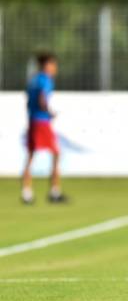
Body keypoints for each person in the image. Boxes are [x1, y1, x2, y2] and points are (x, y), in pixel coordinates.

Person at [21, 52, 67, 204]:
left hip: (33, 121)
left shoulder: (33, 80)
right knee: (56, 153)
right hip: (42, 122)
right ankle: (54, 191)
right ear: (46, 65)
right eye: (53, 64)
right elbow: (42, 99)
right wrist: (49, 112)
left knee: (30, 155)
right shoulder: (46, 80)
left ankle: (26, 192)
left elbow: (28, 103)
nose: (55, 68)